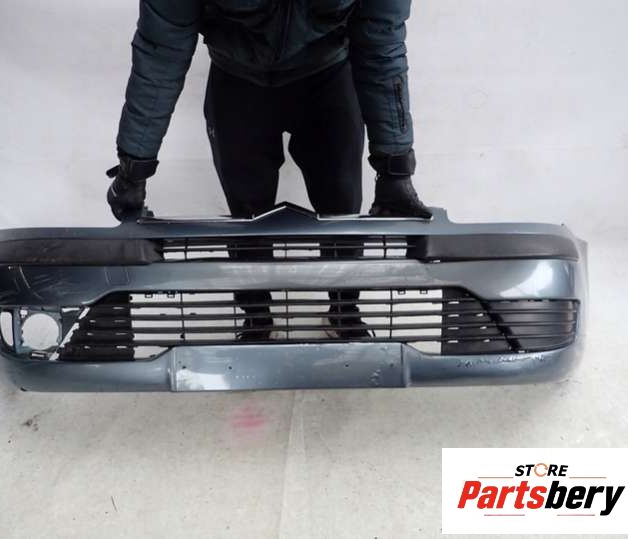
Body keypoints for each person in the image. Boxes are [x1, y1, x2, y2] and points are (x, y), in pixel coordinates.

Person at [107, 0, 431, 341]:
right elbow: (161, 52)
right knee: (247, 214)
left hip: (328, 75)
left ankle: (344, 309)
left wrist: (395, 168)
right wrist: (134, 166)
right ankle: (257, 318)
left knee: (342, 206)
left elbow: (381, 45)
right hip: (237, 78)